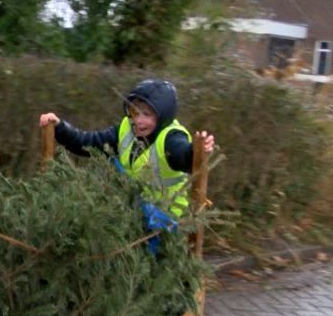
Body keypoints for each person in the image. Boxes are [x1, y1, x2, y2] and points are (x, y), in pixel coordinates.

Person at [39, 79, 215, 220]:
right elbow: (88, 143)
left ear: (162, 117)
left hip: (167, 224)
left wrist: (196, 152)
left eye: (146, 114)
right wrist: (60, 128)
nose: (138, 120)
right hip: (134, 216)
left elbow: (183, 155)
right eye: (135, 112)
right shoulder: (126, 128)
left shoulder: (171, 138)